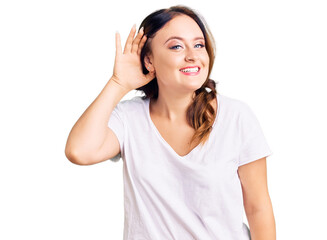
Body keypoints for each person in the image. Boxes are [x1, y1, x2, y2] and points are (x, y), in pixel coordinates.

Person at [65, 5, 276, 240]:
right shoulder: (129, 118)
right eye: (176, 46)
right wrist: (118, 83)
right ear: (149, 60)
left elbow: (258, 209)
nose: (193, 55)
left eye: (199, 45)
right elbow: (79, 151)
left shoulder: (237, 117)